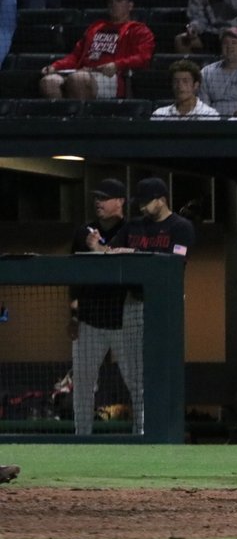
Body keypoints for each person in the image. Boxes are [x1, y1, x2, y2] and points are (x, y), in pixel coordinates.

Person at [88, 176, 195, 435]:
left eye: (147, 203)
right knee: (136, 373)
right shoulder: (134, 227)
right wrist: (97, 248)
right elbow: (111, 254)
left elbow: (175, 262)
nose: (143, 208)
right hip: (134, 303)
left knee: (164, 370)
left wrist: (134, 255)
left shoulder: (181, 227)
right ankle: (141, 431)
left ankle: (167, 430)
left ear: (161, 200)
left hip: (165, 306)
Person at [69, 178, 133, 435]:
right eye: (97, 197)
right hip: (90, 320)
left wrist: (100, 249)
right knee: (83, 384)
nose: (98, 202)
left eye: (105, 198)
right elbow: (74, 277)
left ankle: (145, 436)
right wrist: (73, 315)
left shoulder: (132, 229)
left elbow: (127, 260)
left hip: (126, 321)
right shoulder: (84, 231)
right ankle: (81, 437)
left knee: (136, 384)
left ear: (120, 201)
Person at [39, 0, 154, 100]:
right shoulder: (96, 27)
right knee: (49, 82)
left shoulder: (138, 30)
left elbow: (144, 58)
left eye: (118, 0)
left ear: (130, 5)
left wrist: (117, 65)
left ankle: (82, 117)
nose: (113, 3)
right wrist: (55, 66)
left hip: (112, 77)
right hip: (83, 72)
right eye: (110, 0)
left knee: (78, 79)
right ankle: (64, 117)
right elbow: (75, 56)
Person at [198, 27, 237, 116]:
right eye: (225, 43)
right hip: (212, 121)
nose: (229, 46)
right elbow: (203, 105)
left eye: (234, 43)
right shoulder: (206, 72)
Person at [150, 59, 221, 120]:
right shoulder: (160, 115)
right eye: (176, 81)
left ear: (196, 85)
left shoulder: (209, 115)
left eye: (185, 81)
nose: (179, 86)